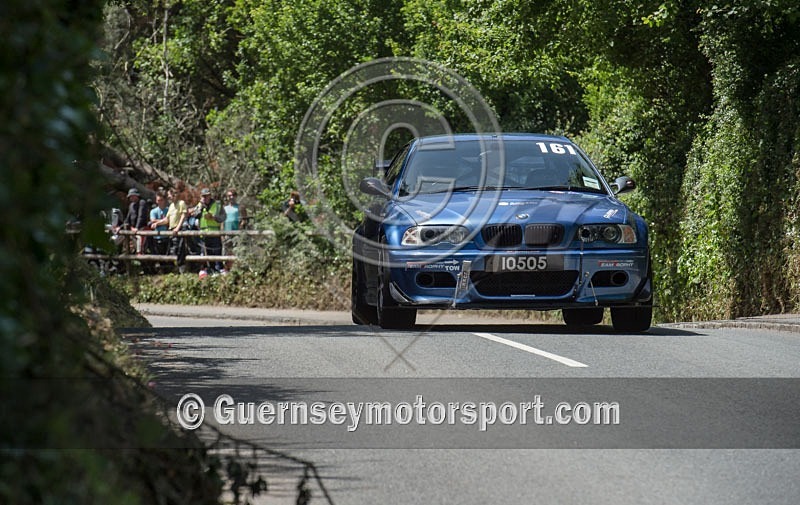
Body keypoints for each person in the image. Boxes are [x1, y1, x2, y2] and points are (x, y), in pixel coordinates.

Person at [154, 188, 190, 271]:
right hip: (172, 229)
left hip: (180, 229)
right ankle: (176, 267)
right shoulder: (171, 206)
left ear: (174, 195)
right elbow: (167, 219)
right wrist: (157, 223)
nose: (169, 197)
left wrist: (178, 228)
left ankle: (182, 268)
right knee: (174, 249)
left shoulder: (181, 203)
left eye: (169, 195)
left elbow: (183, 216)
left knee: (180, 249)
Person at [192, 187, 226, 275]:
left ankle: (220, 269)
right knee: (207, 252)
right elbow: (194, 215)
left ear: (210, 195)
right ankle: (211, 270)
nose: (205, 198)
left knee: (217, 251)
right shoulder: (199, 205)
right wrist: (200, 207)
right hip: (204, 233)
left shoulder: (217, 204)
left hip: (215, 232)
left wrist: (214, 217)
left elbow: (223, 217)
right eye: (203, 196)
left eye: (206, 196)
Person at [222, 188, 247, 272]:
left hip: (237, 233)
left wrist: (241, 227)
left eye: (233, 195)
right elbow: (222, 222)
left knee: (237, 250)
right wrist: (222, 234)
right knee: (226, 251)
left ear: (236, 196)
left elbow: (244, 219)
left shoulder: (240, 207)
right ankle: (226, 269)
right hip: (227, 233)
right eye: (229, 196)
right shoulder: (224, 208)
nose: (231, 197)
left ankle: (237, 268)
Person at [120, 188, 149, 254]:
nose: (131, 198)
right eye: (130, 196)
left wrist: (137, 227)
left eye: (133, 196)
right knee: (121, 235)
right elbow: (127, 219)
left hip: (142, 227)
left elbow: (141, 216)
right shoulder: (131, 205)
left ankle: (140, 253)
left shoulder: (142, 202)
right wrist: (120, 227)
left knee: (139, 238)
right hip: (132, 228)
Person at [147, 191, 169, 255]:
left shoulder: (168, 210)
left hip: (167, 236)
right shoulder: (153, 211)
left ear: (164, 200)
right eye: (158, 200)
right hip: (157, 236)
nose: (160, 202)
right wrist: (164, 221)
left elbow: (170, 221)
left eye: (161, 200)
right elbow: (153, 220)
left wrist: (158, 223)